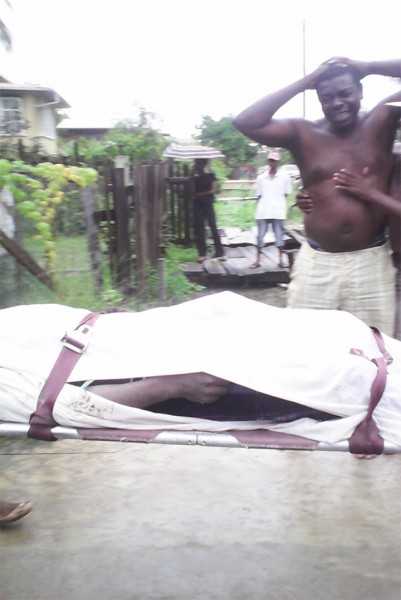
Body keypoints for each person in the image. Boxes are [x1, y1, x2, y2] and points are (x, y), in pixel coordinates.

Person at [0, 292, 400, 449]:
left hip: (170, 340)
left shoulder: (14, 323)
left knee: (319, 341)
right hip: (193, 383)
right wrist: (170, 385)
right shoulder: (8, 380)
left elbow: (89, 329)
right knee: (332, 381)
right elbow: (65, 404)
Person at [233, 57, 401, 336]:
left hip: (372, 261)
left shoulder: (382, 120)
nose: (337, 103)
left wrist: (368, 67)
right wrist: (304, 83)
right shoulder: (303, 132)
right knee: (306, 351)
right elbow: (246, 122)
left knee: (373, 353)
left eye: (345, 93)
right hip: (317, 263)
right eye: (327, 97)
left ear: (360, 91)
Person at [297, 153, 401, 340]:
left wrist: (370, 193)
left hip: (380, 260)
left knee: (379, 343)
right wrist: (309, 194)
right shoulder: (388, 159)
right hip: (386, 258)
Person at [250, 151, 292, 268]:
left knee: (279, 236)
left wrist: (278, 203)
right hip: (263, 210)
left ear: (278, 162)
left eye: (274, 161)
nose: (272, 163)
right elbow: (259, 194)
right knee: (260, 236)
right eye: (270, 160)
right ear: (268, 161)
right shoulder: (261, 178)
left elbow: (286, 194)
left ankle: (281, 260)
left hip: (278, 211)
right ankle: (257, 260)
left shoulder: (285, 177)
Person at [190, 158, 227, 263]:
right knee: (199, 229)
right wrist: (192, 176)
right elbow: (192, 192)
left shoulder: (211, 176)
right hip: (197, 205)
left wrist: (199, 194)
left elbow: (212, 190)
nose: (198, 166)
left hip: (208, 204)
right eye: (197, 164)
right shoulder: (195, 178)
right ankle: (202, 254)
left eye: (200, 164)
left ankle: (221, 253)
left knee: (213, 227)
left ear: (204, 164)